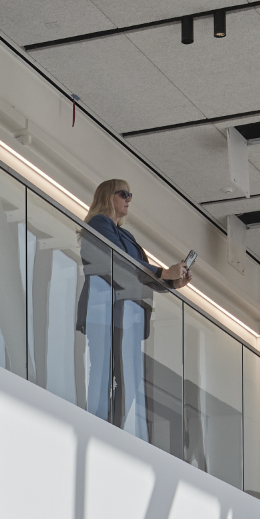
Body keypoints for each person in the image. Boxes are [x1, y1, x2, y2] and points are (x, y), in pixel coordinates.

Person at [79, 179, 191, 441]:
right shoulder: (98, 224)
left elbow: (141, 274)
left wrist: (172, 280)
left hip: (128, 314)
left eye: (131, 194)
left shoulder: (127, 235)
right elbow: (118, 260)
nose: (129, 198)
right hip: (105, 311)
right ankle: (97, 423)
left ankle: (114, 427)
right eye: (124, 193)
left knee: (128, 376)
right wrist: (164, 272)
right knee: (104, 369)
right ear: (108, 196)